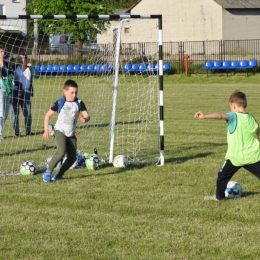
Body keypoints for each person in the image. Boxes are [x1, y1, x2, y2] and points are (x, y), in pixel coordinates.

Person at [194, 91, 260, 200]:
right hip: (252, 156)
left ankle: (219, 197)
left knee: (222, 177)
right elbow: (258, 133)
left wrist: (205, 116)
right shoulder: (251, 118)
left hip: (235, 157)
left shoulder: (233, 116)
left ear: (233, 105)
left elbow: (220, 115)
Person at [42, 79, 90, 182]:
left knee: (72, 158)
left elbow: (87, 116)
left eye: (76, 92)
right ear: (65, 91)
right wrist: (46, 130)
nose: (74, 95)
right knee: (61, 151)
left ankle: (59, 175)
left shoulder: (79, 103)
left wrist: (84, 119)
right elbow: (48, 115)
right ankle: (48, 172)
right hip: (59, 130)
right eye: (72, 92)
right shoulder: (60, 102)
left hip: (71, 133)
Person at [11, 52, 38, 137]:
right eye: (18, 59)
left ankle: (28, 130)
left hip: (26, 93)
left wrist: (32, 66)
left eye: (21, 58)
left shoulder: (29, 68)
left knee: (27, 112)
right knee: (15, 113)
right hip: (15, 92)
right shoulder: (14, 67)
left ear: (26, 59)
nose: (20, 60)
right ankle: (17, 132)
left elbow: (37, 75)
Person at [0, 46, 15, 140]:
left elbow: (9, 74)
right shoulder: (2, 65)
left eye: (3, 51)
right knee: (1, 112)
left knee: (5, 113)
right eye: (1, 51)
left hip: (7, 89)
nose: (3, 53)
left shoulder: (6, 64)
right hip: (0, 89)